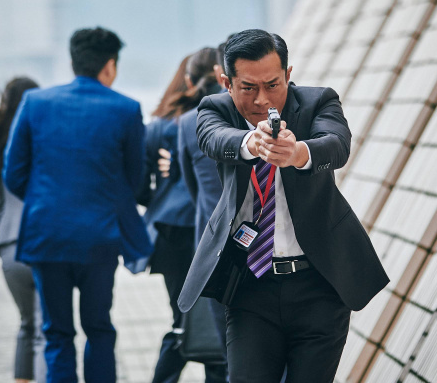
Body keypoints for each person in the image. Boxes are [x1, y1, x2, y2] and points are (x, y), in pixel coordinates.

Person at [177, 30, 390, 383]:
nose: (262, 99)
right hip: (250, 287)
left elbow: (337, 144)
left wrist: (298, 153)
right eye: (248, 87)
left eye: (273, 85)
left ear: (288, 75)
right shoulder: (214, 108)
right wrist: (251, 142)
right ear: (226, 83)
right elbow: (213, 138)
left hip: (320, 283)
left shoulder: (319, 100)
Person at [3, 27, 152, 383]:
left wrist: (45, 202)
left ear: (73, 61)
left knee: (56, 332)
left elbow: (13, 174)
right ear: (110, 65)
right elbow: (135, 180)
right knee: (98, 327)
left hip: (46, 236)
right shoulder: (126, 108)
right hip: (100, 238)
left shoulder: (35, 103)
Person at [136, 48, 227, 383]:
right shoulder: (224, 119)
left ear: (187, 79)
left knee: (182, 319)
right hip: (213, 230)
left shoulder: (161, 125)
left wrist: (162, 195)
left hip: (171, 230)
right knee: (219, 320)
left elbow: (138, 187)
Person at [0, 76, 46, 383]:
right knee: (46, 329)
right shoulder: (42, 142)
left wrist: (8, 230)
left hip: (10, 247)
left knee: (26, 324)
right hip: (42, 242)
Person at [176, 42, 229, 351]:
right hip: (266, 247)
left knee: (229, 344)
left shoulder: (188, 122)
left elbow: (193, 187)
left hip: (213, 244)